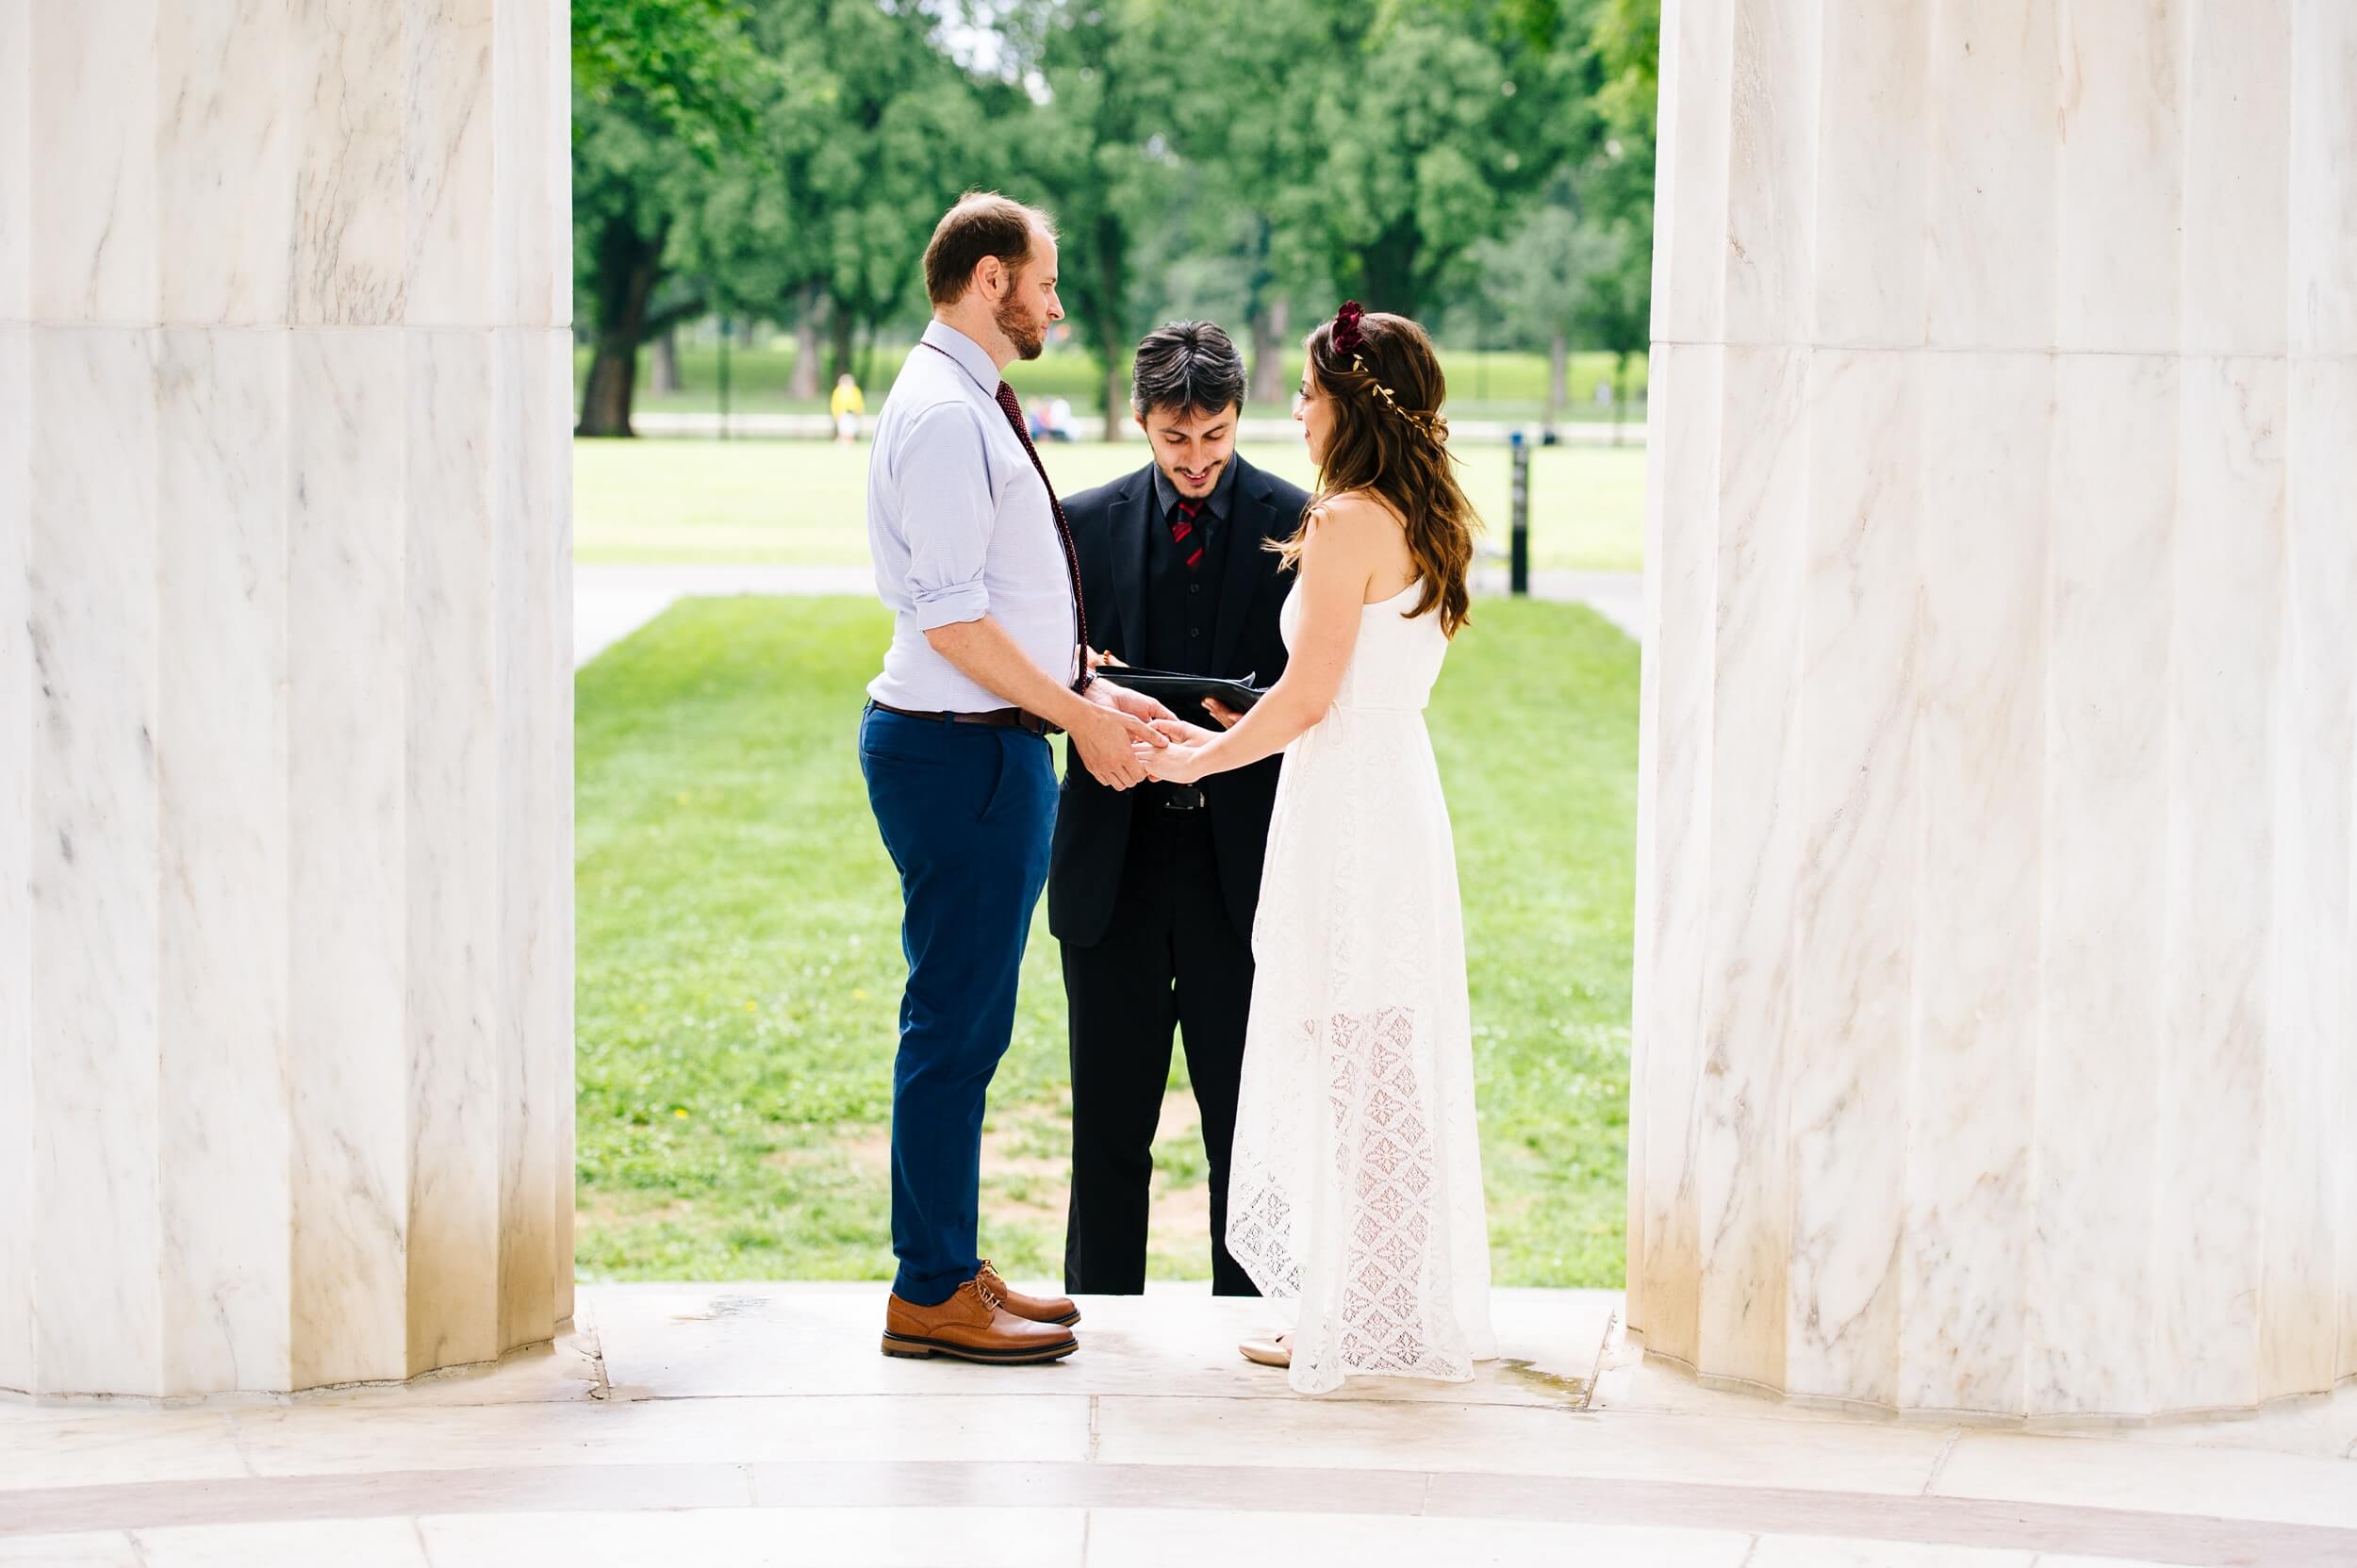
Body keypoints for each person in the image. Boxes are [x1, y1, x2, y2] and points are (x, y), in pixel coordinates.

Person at [1134, 302, 1496, 1395]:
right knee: (1376, 1055)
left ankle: (1358, 1310)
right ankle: (1380, 1297)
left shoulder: (1346, 520)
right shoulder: (1422, 513)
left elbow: (1304, 697)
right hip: (1386, 793)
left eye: (1304, 392)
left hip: (1349, 805)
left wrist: (1191, 760)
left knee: (1356, 1058)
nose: (1292, 412)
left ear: (1348, 403)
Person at [858, 191, 1172, 1365]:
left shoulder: (965, 399)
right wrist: (1077, 716)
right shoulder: (946, 415)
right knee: (954, 1025)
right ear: (989, 279)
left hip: (987, 743)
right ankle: (930, 1286)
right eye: (1043, 280)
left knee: (968, 1024)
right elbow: (949, 621)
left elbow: (999, 598)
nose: (1054, 301)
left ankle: (945, 1261)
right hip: (961, 756)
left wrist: (1095, 676)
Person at [1051, 322, 1310, 1297]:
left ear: (1238, 416)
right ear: (1141, 421)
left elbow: (1316, 690)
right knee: (1105, 1128)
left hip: (1238, 872)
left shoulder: (1301, 523)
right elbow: (1043, 675)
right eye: (1175, 439)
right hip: (1110, 869)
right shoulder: (1077, 524)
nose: (1196, 459)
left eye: (1215, 436)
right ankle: (1101, 1322)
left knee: (1244, 1128)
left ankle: (1245, 1323)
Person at [831, 371, 865, 441]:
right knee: (843, 431)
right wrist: (836, 415)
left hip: (853, 414)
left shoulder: (856, 391)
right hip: (842, 414)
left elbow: (860, 403)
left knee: (851, 431)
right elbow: (834, 404)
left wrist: (859, 413)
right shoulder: (838, 391)